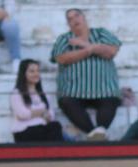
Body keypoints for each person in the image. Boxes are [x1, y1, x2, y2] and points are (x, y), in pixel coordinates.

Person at [51, 8, 122, 140]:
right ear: (68, 24)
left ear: (84, 17)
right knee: (67, 101)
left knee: (111, 99)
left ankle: (99, 131)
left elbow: (111, 51)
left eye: (76, 16)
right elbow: (62, 58)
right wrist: (91, 50)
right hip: (73, 91)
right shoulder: (64, 39)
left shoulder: (101, 33)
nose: (74, 20)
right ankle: (95, 133)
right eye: (69, 19)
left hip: (104, 88)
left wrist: (86, 45)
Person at [10, 59, 64, 142]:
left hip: (42, 129)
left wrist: (34, 112)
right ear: (23, 74)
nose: (36, 74)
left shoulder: (43, 93)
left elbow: (51, 115)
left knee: (56, 126)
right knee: (44, 131)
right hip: (25, 131)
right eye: (32, 71)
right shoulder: (17, 93)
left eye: (38, 71)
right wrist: (42, 112)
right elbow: (23, 114)